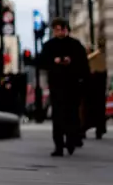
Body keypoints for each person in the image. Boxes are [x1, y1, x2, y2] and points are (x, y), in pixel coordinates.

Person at [38, 17, 89, 156]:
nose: (59, 32)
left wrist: (71, 62)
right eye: (56, 29)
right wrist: (53, 61)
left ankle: (71, 141)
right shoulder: (49, 45)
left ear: (66, 29)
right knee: (58, 116)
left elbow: (83, 64)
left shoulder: (75, 45)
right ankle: (59, 145)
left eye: (61, 29)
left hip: (72, 85)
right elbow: (42, 62)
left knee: (72, 115)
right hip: (57, 85)